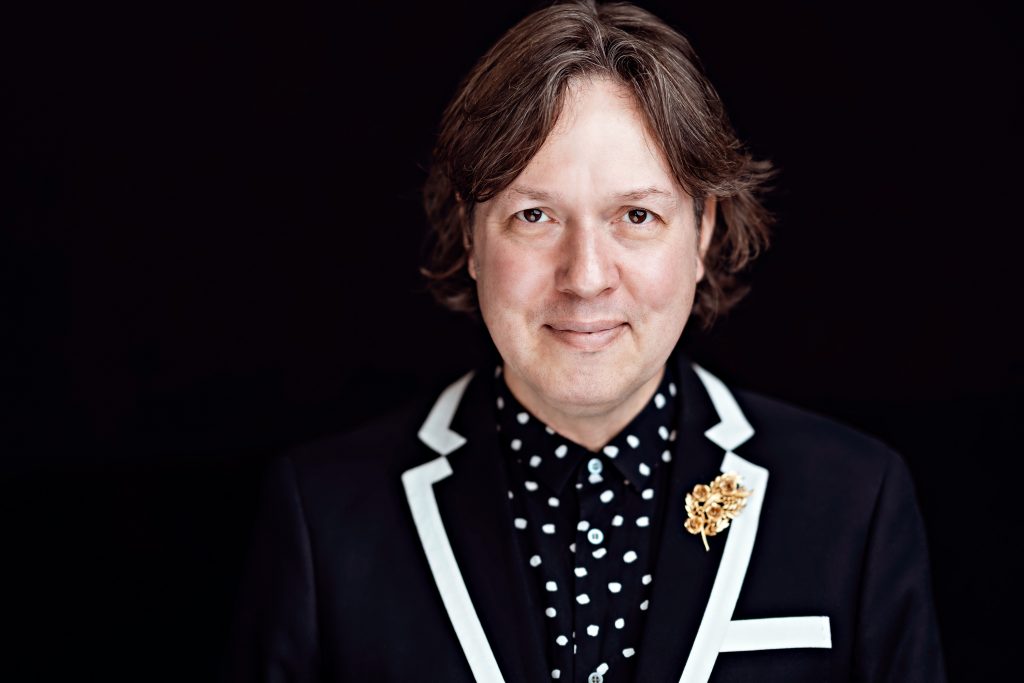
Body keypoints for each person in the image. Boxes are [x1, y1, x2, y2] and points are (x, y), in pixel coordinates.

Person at [226, 1, 946, 681]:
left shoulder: (855, 501)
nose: (587, 276)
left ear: (702, 233)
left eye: (636, 215)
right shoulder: (323, 514)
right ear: (471, 237)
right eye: (535, 215)